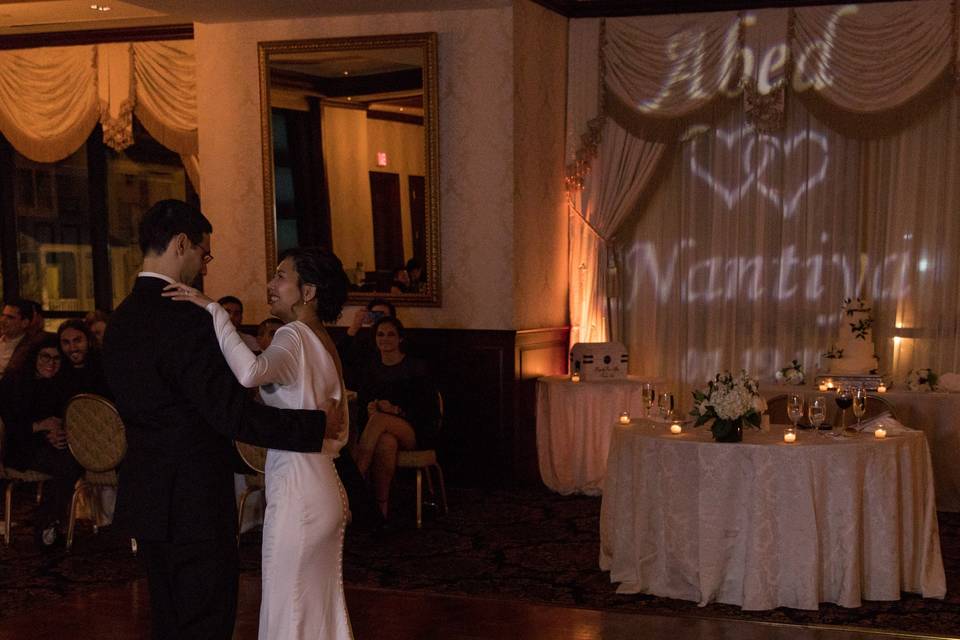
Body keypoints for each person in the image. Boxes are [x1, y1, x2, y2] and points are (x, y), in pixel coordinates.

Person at [101, 199, 330, 640]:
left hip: (145, 491)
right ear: (181, 243)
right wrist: (316, 428)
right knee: (206, 619)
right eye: (204, 254)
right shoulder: (188, 319)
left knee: (167, 618)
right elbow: (230, 415)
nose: (205, 265)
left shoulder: (121, 319)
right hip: (193, 498)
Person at [165, 246, 354, 640]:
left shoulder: (294, 335)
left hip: (299, 489)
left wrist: (215, 311)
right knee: (318, 607)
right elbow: (337, 428)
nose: (271, 285)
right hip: (324, 483)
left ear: (308, 293)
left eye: (281, 276)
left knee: (289, 607)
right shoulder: (323, 340)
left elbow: (251, 373)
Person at [0, 334, 83, 548]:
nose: (51, 363)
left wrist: (54, 433)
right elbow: (12, 426)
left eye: (56, 359)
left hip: (46, 445)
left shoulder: (59, 384)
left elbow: (61, 418)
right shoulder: (14, 383)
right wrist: (41, 426)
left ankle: (49, 520)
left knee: (71, 459)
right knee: (67, 464)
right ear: (34, 357)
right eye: (45, 357)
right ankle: (48, 521)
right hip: (19, 447)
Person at [354, 316, 438, 520]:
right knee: (386, 441)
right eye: (380, 334)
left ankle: (353, 485)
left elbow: (429, 411)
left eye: (391, 334)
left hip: (414, 429)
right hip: (381, 431)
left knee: (380, 421)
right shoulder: (371, 368)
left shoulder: (416, 367)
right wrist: (370, 408)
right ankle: (381, 510)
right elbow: (362, 404)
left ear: (400, 338)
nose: (385, 339)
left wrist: (396, 411)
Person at [57, 318, 111, 399]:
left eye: (77, 341)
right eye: (66, 342)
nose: (72, 348)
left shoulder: (105, 370)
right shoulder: (57, 375)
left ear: (89, 341)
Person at [0, 299, 38, 378]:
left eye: (10, 317)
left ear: (24, 323)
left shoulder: (31, 348)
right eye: (3, 315)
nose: (3, 320)